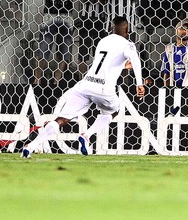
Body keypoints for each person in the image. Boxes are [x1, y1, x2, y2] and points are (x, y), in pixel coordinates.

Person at [21, 16, 145, 158]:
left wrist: (122, 65)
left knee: (61, 120)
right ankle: (86, 135)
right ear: (127, 29)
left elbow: (106, 63)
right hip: (104, 90)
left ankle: (30, 146)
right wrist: (139, 84)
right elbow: (135, 60)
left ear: (111, 28)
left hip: (85, 85)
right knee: (114, 111)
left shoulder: (103, 41)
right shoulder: (128, 45)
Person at [32, 0, 87, 85]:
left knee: (64, 51)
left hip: (66, 16)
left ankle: (57, 81)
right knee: (43, 49)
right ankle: (37, 80)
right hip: (50, 15)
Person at [77, 0, 109, 76]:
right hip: (86, 19)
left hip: (101, 20)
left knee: (99, 52)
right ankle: (81, 78)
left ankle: (97, 78)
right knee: (83, 52)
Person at [161, 20, 188, 87]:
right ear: (175, 30)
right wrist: (167, 90)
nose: (184, 31)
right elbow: (166, 72)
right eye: (181, 28)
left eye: (187, 29)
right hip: (174, 87)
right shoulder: (169, 49)